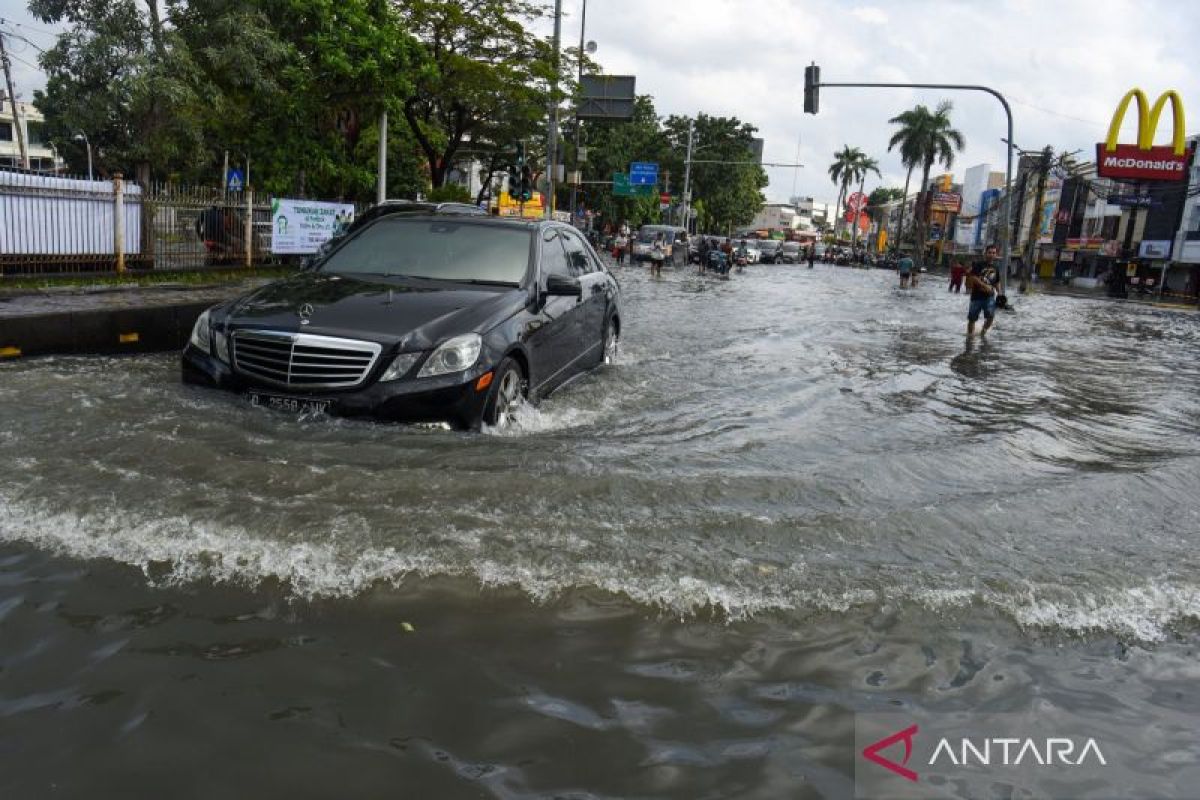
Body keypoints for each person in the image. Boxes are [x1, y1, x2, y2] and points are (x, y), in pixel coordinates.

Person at [966, 244, 1002, 336]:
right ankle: (970, 337)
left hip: (989, 297)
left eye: (994, 253)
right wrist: (984, 286)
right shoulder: (978, 265)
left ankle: (983, 332)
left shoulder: (996, 268)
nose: (992, 255)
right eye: (990, 252)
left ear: (996, 254)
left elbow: (997, 282)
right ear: (985, 253)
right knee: (972, 319)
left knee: (990, 317)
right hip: (976, 296)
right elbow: (973, 277)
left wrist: (1000, 293)